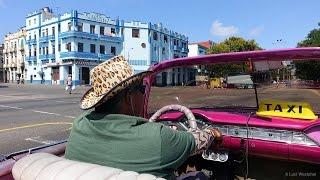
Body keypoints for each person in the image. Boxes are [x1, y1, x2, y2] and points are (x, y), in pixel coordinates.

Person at [65, 56, 222, 179]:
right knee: (200, 176)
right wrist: (213, 132)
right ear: (129, 98)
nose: (144, 93)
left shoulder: (79, 125)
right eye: (141, 88)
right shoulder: (157, 137)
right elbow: (196, 141)